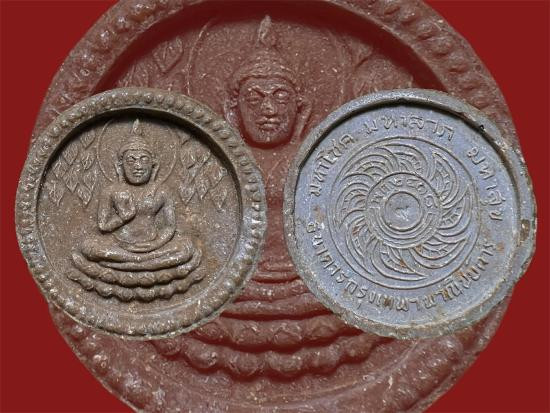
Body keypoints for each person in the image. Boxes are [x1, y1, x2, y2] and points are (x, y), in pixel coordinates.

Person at [72, 120, 200, 289]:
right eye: (131, 161)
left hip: (153, 246)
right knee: (89, 247)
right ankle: (144, 265)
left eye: (144, 160)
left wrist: (155, 244)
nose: (138, 166)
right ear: (120, 166)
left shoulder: (162, 191)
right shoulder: (111, 191)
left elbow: (169, 227)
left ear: (154, 165)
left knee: (185, 248)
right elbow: (103, 226)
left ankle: (126, 266)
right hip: (119, 245)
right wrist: (123, 218)